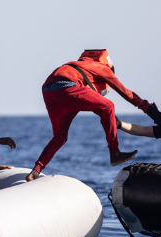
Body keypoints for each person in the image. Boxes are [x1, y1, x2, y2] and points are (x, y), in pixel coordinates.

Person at [27, 49, 146, 182]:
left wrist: (105, 115)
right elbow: (125, 92)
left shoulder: (78, 65)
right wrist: (146, 107)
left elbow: (89, 101)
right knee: (108, 105)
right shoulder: (102, 67)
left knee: (59, 137)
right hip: (68, 87)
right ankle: (115, 153)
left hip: (49, 92)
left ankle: (35, 171)